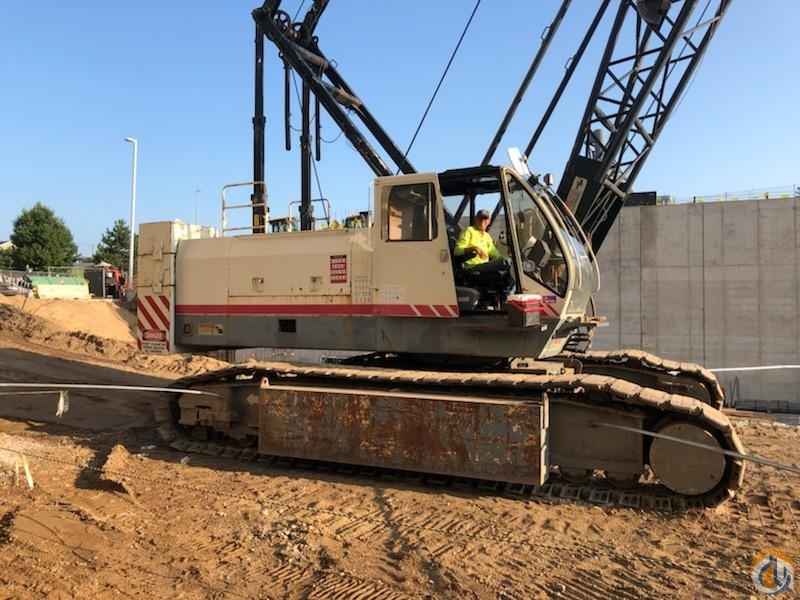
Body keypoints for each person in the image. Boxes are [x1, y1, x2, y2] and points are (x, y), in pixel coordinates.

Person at [454, 209, 512, 289]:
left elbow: (496, 255)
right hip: (472, 267)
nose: (482, 222)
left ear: (489, 221)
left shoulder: (487, 236)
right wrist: (474, 248)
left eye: (485, 219)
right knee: (507, 262)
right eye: (480, 219)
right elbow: (457, 251)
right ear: (476, 219)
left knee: (509, 263)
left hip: (484, 267)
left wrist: (508, 256)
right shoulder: (469, 231)